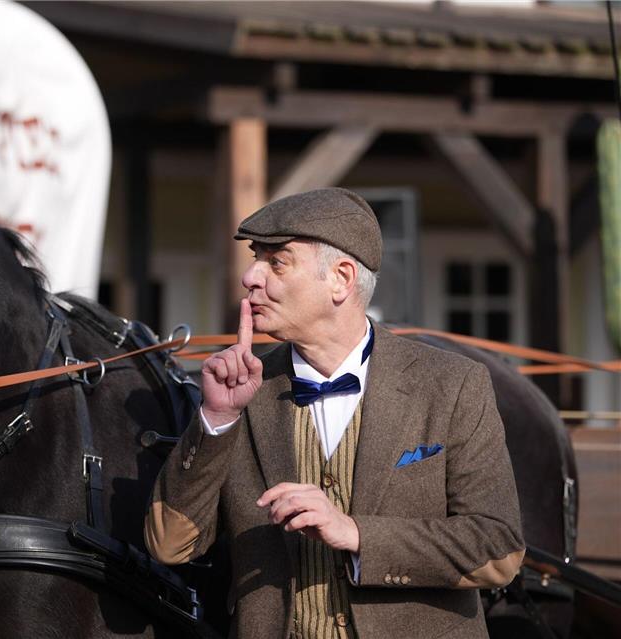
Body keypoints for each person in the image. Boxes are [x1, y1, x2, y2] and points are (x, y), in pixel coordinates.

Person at [144, 188, 524, 639]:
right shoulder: (240, 389)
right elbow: (168, 544)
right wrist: (216, 419)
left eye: (277, 261)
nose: (250, 276)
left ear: (341, 279)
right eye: (254, 258)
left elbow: (498, 551)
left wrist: (357, 533)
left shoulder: (453, 385)